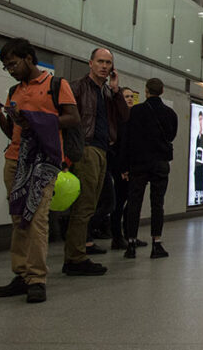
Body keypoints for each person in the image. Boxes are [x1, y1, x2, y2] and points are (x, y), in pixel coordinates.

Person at [0, 38, 79, 302]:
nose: (11, 70)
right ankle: (21, 273)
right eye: (7, 67)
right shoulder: (15, 90)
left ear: (28, 58)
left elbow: (73, 118)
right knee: (18, 217)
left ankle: (37, 278)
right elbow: (12, 131)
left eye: (13, 64)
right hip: (15, 159)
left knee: (37, 218)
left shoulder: (55, 85)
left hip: (43, 161)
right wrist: (0, 114)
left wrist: (38, 121)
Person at [65, 47, 130, 276]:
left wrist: (115, 90)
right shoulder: (78, 87)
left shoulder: (106, 92)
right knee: (84, 205)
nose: (104, 66)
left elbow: (124, 116)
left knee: (91, 204)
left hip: (102, 150)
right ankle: (75, 256)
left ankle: (77, 252)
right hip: (86, 148)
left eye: (108, 63)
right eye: (100, 62)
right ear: (90, 63)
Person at [120, 78, 177, 258]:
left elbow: (126, 140)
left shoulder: (135, 112)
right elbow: (171, 136)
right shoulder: (170, 113)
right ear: (162, 91)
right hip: (160, 163)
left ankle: (131, 244)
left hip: (138, 163)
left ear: (146, 91)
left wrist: (124, 165)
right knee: (157, 203)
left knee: (134, 203)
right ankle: (156, 243)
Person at [109, 87, 142, 250]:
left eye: (131, 96)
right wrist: (122, 168)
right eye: (126, 96)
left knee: (131, 202)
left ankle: (130, 234)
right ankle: (117, 236)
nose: (129, 99)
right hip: (121, 168)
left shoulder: (133, 118)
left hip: (133, 167)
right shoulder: (119, 120)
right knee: (119, 202)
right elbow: (120, 146)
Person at [192, 111, 203, 205]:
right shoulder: (197, 136)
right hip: (197, 163)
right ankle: (197, 195)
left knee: (200, 177)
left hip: (201, 163)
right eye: (199, 119)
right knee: (196, 176)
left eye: (201, 119)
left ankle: (200, 195)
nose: (200, 121)